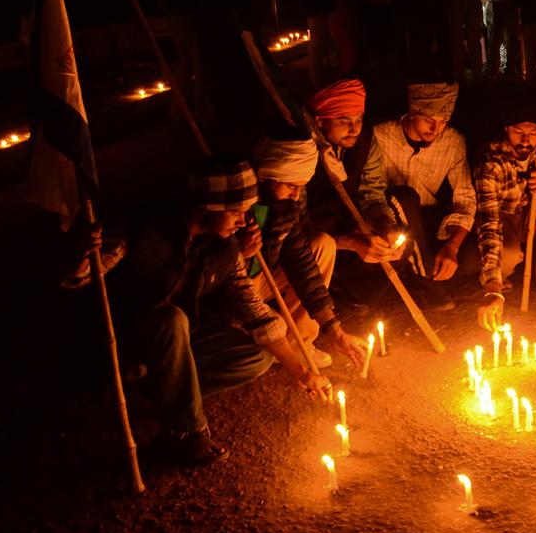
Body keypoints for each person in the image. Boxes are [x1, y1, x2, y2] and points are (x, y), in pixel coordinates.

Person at [119, 160, 334, 465]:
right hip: (133, 342)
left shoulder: (223, 247)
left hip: (186, 340)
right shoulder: (149, 235)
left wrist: (301, 371)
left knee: (257, 355)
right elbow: (87, 276)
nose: (244, 220)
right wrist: (82, 260)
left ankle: (171, 399)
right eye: (236, 212)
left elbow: (253, 308)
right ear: (207, 207)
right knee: (171, 318)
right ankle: (187, 431)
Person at [249, 135, 369, 370]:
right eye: (291, 186)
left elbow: (302, 263)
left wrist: (334, 330)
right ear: (265, 176)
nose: (296, 196)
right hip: (232, 287)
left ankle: (298, 342)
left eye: (301, 187)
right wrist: (241, 254)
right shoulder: (239, 203)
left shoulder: (284, 206)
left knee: (322, 244)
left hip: (261, 277)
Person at [302, 79, 409, 312]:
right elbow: (294, 227)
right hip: (313, 233)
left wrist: (384, 226)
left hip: (348, 220)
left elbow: (372, 193)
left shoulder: (364, 140)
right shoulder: (301, 151)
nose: (354, 129)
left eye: (358, 120)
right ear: (320, 121)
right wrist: (350, 243)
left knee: (397, 239)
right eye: (344, 121)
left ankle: (350, 294)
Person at [371, 82, 476, 310]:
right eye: (429, 120)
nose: (436, 129)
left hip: (428, 218)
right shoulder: (379, 135)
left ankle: (414, 270)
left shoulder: (452, 141)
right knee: (404, 197)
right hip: (392, 222)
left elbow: (465, 197)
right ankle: (423, 279)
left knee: (470, 260)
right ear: (412, 112)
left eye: (442, 122)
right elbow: (372, 192)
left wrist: (452, 247)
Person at [473, 88, 536, 330]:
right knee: (509, 256)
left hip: (531, 209)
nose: (526, 141)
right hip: (504, 215)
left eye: (532, 133)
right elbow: (489, 224)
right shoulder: (491, 163)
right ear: (506, 129)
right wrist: (492, 288)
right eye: (518, 132)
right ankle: (498, 278)